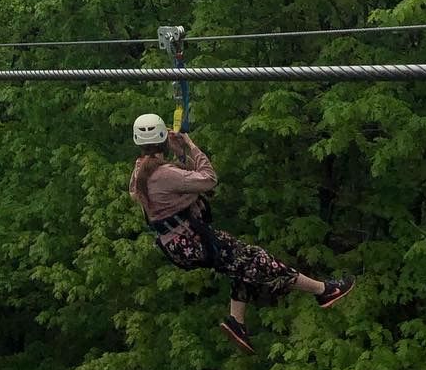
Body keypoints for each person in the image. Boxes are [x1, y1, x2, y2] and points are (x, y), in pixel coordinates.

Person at [128, 113, 353, 354]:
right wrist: (191, 146)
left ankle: (237, 323)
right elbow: (208, 180)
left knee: (242, 266)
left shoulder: (141, 172)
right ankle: (323, 290)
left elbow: (182, 183)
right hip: (192, 242)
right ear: (163, 139)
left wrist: (179, 153)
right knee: (258, 260)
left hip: (180, 244)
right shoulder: (163, 174)